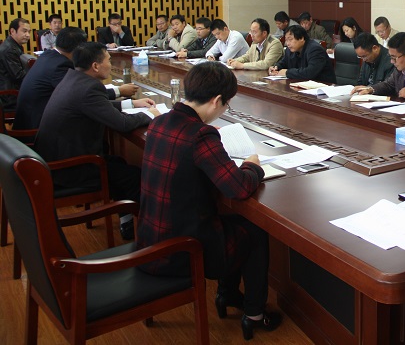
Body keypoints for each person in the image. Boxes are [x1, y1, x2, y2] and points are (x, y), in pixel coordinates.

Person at [136, 62, 282, 340]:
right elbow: (238, 188)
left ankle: (228, 294)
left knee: (231, 222)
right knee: (254, 231)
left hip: (150, 239)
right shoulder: (200, 134)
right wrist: (252, 165)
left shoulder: (159, 122)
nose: (224, 110)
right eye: (226, 104)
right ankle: (254, 314)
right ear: (216, 101)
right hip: (182, 250)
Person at [35, 42, 159, 240]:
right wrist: (151, 114)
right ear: (95, 66)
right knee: (133, 177)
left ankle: (126, 221)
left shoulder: (74, 78)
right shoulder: (89, 88)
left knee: (119, 164)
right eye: (108, 60)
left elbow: (96, 106)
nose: (110, 64)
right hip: (70, 169)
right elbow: (122, 124)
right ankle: (151, 233)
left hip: (56, 159)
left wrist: (131, 103)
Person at [14, 27, 139, 130]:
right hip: (36, 127)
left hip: (32, 118)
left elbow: (87, 99)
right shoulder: (60, 66)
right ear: (78, 49)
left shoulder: (49, 56)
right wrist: (119, 91)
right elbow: (85, 96)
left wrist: (129, 103)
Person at [269, 25, 336, 83]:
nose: (287, 43)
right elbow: (284, 62)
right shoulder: (290, 50)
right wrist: (276, 67)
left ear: (301, 38)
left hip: (322, 86)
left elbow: (310, 73)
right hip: (301, 84)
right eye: (286, 40)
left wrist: (287, 72)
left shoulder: (315, 50)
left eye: (290, 39)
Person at [0, 17, 32, 108]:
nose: (28, 35)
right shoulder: (9, 50)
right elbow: (18, 76)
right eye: (24, 31)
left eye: (29, 32)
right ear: (13, 31)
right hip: (10, 96)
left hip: (14, 89)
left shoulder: (14, 45)